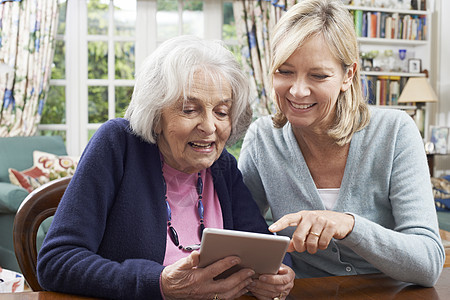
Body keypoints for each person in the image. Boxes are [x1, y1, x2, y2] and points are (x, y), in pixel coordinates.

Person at [37, 35, 294, 300]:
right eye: (190, 109)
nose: (209, 127)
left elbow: (266, 250)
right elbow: (57, 261)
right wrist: (158, 283)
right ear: (156, 115)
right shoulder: (118, 145)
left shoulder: (221, 166)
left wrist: (277, 276)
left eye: (221, 112)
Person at [238, 0, 445, 287]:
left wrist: (349, 225)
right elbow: (241, 234)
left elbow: (428, 263)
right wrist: (271, 272)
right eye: (284, 72)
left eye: (318, 75)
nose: (297, 91)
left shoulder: (395, 132)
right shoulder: (263, 139)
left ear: (348, 75)